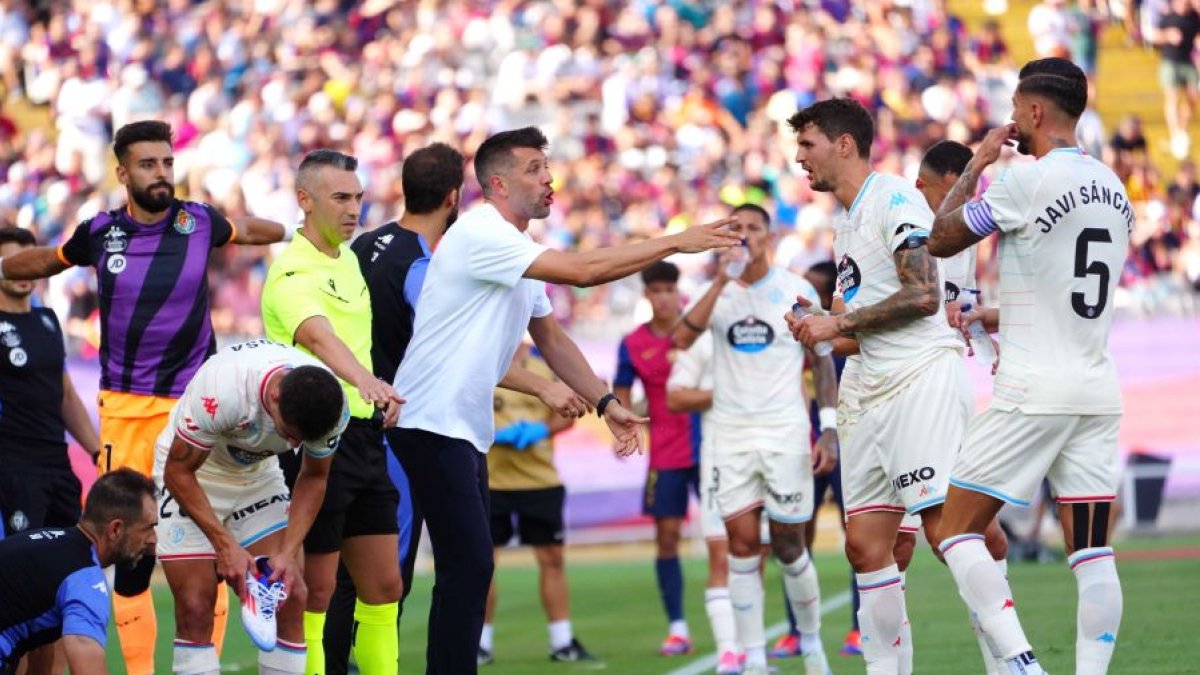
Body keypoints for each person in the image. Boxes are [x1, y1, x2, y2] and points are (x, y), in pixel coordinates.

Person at [388, 126, 739, 674]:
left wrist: (603, 401)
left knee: (467, 568)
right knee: (467, 566)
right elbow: (583, 272)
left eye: (546, 166)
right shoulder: (483, 232)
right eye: (533, 169)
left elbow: (551, 339)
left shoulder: (517, 250)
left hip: (457, 425)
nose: (549, 178)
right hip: (430, 421)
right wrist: (673, 241)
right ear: (497, 184)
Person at [0, 120, 286, 674]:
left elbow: (253, 230)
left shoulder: (199, 220)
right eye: (148, 164)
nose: (161, 174)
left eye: (166, 163)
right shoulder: (100, 232)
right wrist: (4, 267)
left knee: (205, 548)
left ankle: (205, 666)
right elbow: (47, 260)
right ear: (123, 172)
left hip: (194, 409)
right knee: (127, 556)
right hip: (126, 409)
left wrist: (294, 229)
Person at [334, 143, 588, 675]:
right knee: (397, 569)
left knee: (365, 564)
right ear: (455, 196)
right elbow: (448, 348)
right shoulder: (432, 259)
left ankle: (343, 660)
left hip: (357, 420)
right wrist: (539, 388)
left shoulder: (362, 249)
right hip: (406, 418)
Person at [927, 57, 1129, 675]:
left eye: (1016, 110)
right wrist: (1000, 315)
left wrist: (980, 163)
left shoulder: (1021, 181)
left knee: (954, 532)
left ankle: (1019, 664)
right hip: (1096, 389)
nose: (1011, 120)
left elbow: (939, 238)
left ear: (1035, 112)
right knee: (1092, 553)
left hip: (1032, 389)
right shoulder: (1116, 191)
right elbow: (1070, 283)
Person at [787, 98, 971, 675]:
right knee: (868, 548)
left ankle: (1015, 660)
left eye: (808, 144)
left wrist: (835, 323)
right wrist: (816, 329)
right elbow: (854, 332)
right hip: (872, 390)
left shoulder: (891, 197)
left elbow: (922, 296)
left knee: (949, 536)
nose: (799, 158)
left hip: (917, 382)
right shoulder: (847, 223)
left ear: (844, 144)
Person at [673, 203, 839, 675]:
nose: (745, 235)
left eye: (753, 228)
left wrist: (827, 427)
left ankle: (812, 647)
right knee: (741, 546)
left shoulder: (795, 290)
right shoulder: (716, 292)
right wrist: (723, 280)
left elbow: (822, 360)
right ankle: (754, 660)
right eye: (736, 228)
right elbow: (682, 341)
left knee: (789, 547)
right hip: (730, 438)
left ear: (769, 235)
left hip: (785, 434)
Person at [262, 149, 404, 675]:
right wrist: (368, 383)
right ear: (305, 200)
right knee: (316, 591)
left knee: (385, 585)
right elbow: (320, 339)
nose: (354, 208)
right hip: (316, 444)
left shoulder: (347, 258)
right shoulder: (291, 271)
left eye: (359, 197)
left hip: (364, 439)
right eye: (341, 197)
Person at [154, 339, 350, 675]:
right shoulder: (224, 389)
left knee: (290, 592)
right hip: (195, 475)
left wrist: (288, 553)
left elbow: (315, 477)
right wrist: (225, 545)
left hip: (256, 477)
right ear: (274, 396)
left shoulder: (333, 407)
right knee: (196, 606)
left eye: (300, 441)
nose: (291, 445)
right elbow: (178, 472)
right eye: (288, 433)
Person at [481, 342, 596, 664]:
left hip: (540, 479)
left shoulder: (545, 367)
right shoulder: (485, 360)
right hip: (491, 481)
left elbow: (570, 414)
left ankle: (562, 641)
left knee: (552, 559)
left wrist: (541, 429)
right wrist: (495, 434)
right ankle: (480, 643)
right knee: (483, 564)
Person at [612, 260, 701, 657]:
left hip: (710, 446)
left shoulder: (699, 332)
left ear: (678, 293)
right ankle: (678, 627)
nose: (664, 298)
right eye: (657, 291)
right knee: (666, 539)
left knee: (734, 537)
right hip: (665, 454)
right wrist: (624, 425)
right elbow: (621, 389)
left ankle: (735, 624)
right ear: (647, 295)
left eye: (670, 290)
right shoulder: (632, 343)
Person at [0, 468, 157, 675]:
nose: (153, 539)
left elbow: (38, 641)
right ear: (115, 529)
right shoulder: (85, 580)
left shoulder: (53, 544)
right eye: (148, 528)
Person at [0, 227, 99, 538]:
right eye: (16, 261)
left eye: (33, 259)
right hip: (13, 469)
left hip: (58, 465)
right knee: (19, 572)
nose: (26, 268)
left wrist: (97, 452)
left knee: (70, 564)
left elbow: (66, 394)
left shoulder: (47, 321)